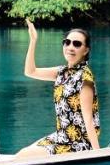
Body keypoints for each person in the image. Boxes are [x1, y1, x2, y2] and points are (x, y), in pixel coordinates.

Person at [18, 20, 101, 155]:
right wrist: (33, 40)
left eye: (77, 44)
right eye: (67, 42)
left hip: (77, 144)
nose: (70, 47)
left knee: (24, 155)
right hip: (61, 137)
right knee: (24, 152)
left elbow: (88, 120)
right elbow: (30, 71)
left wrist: (98, 154)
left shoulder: (85, 79)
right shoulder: (61, 73)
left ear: (86, 50)